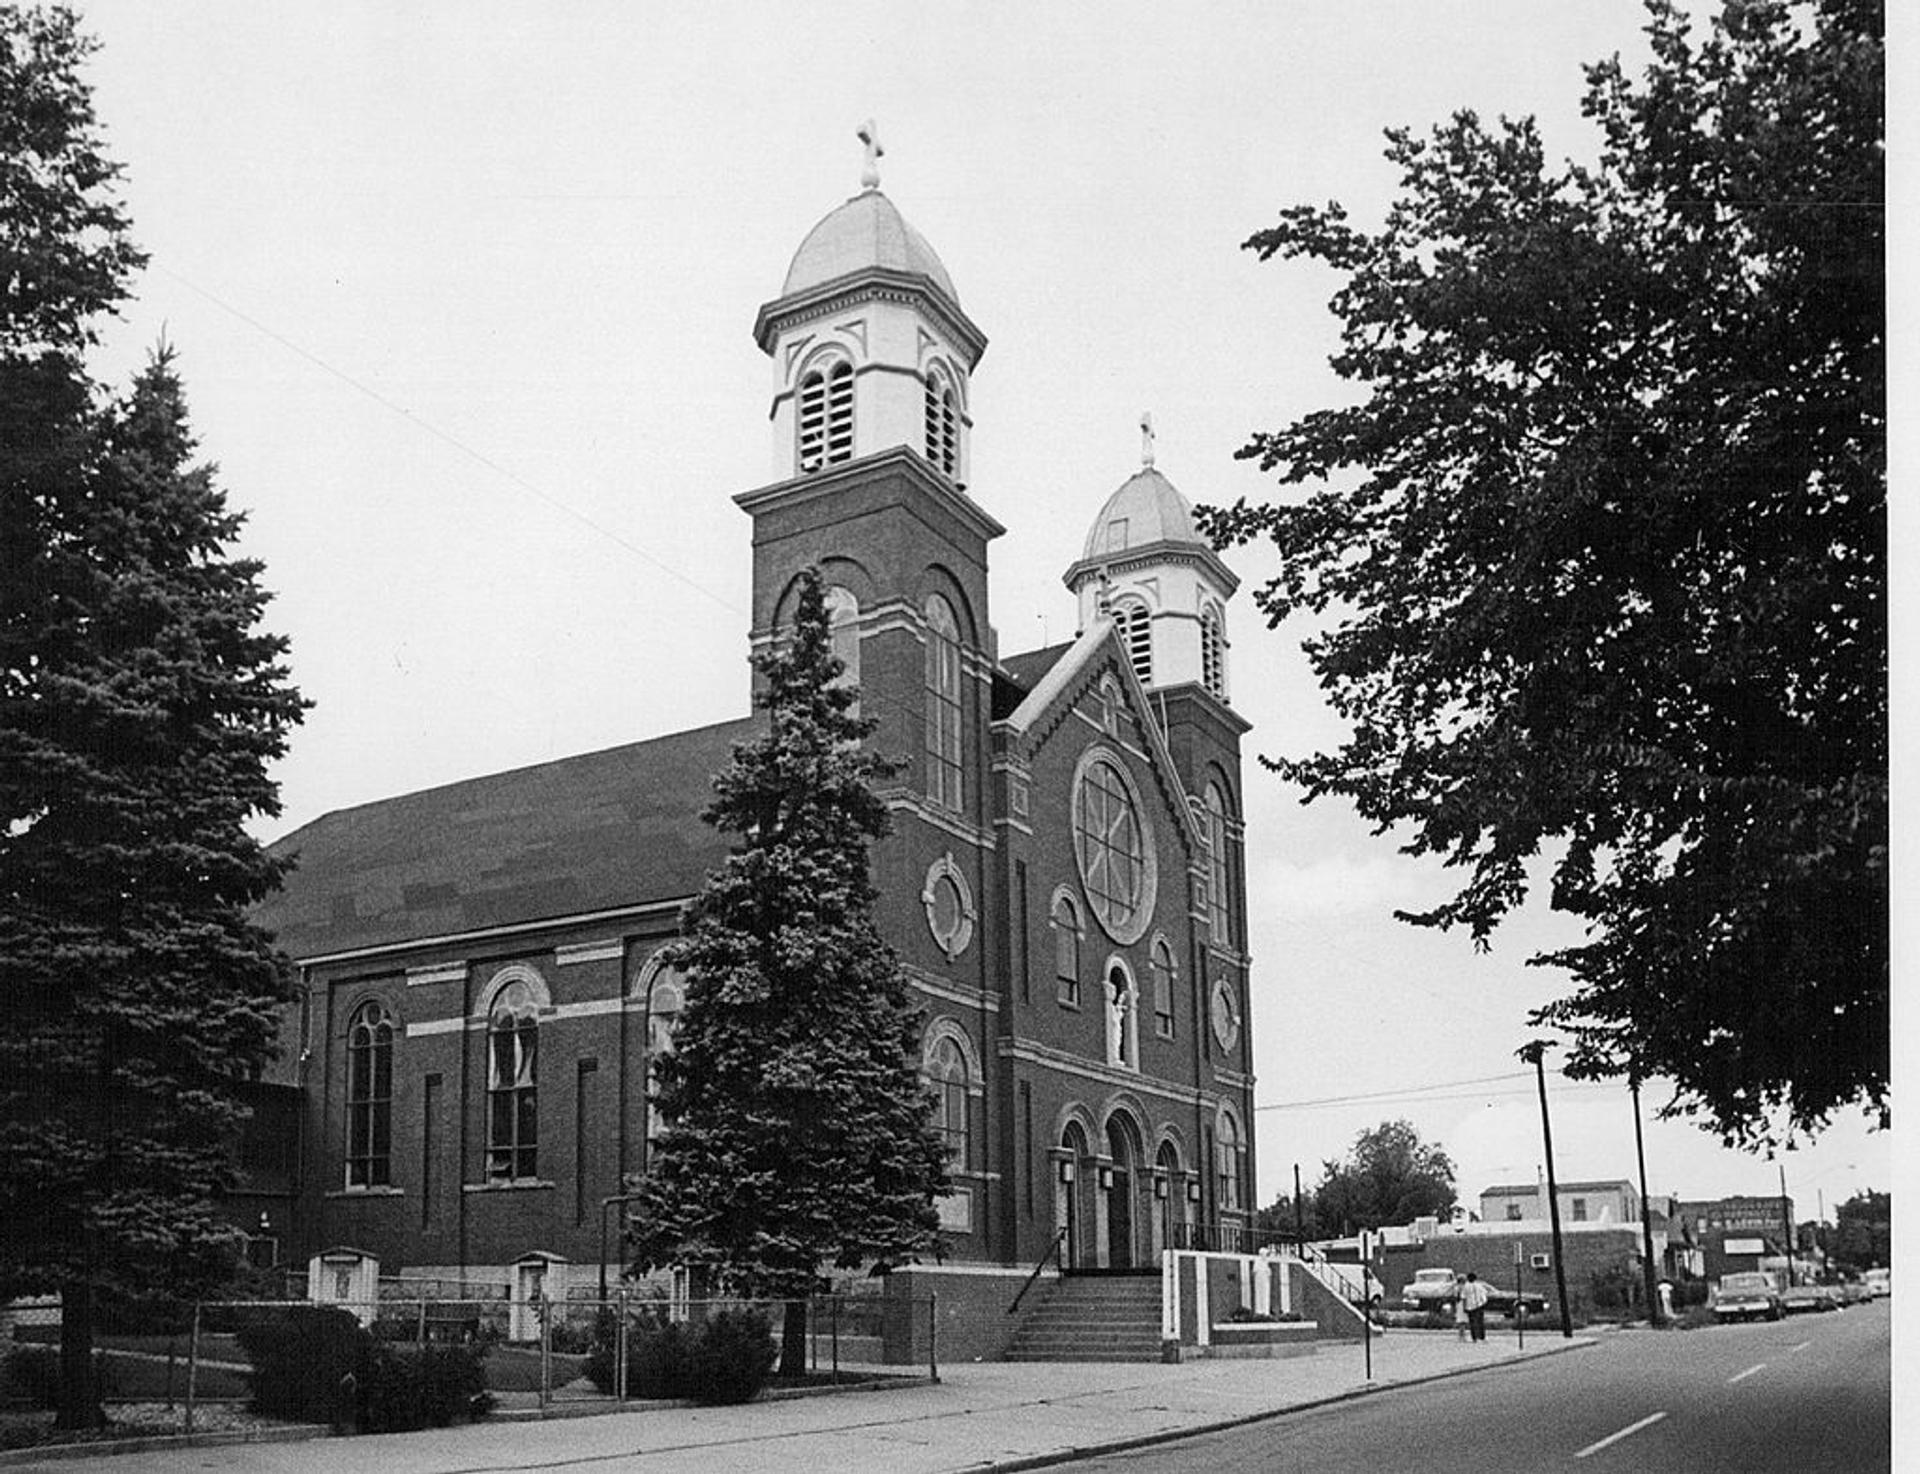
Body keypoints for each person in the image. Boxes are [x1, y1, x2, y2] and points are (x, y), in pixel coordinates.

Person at [1460, 1270, 1494, 1342]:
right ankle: (1482, 1337)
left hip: (1470, 1307)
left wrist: (1464, 1307)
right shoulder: (1479, 1285)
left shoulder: (1466, 1286)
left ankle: (1474, 1337)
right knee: (1480, 1322)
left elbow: (1463, 1298)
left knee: (1473, 1322)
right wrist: (1483, 1303)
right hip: (1479, 1306)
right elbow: (1485, 1294)